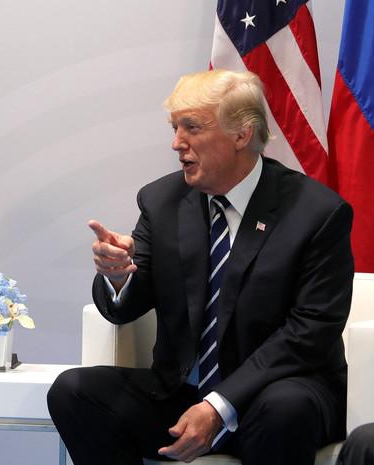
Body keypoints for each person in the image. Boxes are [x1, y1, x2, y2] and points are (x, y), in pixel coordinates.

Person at [47, 69, 353, 465]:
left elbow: (310, 332)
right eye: (174, 128)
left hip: (276, 390)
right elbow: (126, 307)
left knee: (285, 409)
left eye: (191, 127)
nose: (177, 143)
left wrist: (220, 405)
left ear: (242, 134)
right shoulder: (162, 201)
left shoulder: (316, 213)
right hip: (181, 396)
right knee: (73, 390)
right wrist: (119, 277)